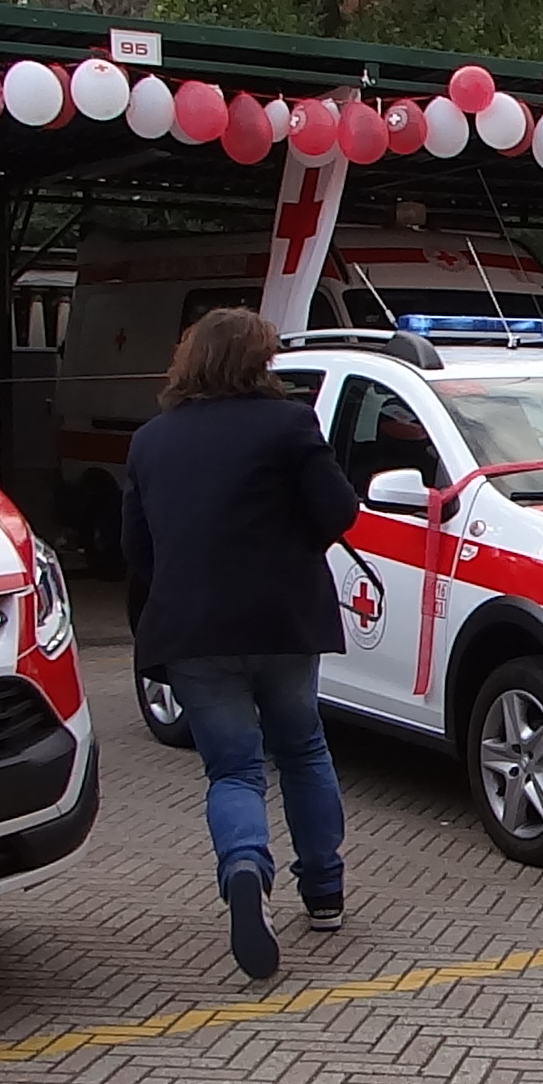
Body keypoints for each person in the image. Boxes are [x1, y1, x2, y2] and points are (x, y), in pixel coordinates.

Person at [123, 307, 360, 978]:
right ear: (256, 362)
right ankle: (324, 892)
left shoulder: (150, 441)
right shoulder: (288, 424)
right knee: (303, 749)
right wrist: (291, 549)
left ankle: (244, 868)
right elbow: (339, 510)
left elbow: (136, 550)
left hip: (195, 628)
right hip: (283, 620)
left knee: (232, 769)